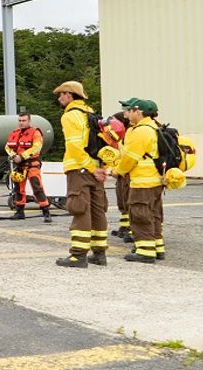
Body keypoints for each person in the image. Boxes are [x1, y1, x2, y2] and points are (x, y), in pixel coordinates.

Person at [53, 81, 108, 268]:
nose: (59, 98)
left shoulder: (70, 116)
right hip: (95, 167)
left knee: (80, 208)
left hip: (80, 168)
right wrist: (100, 168)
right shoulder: (91, 114)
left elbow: (75, 146)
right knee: (97, 210)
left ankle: (78, 255)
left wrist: (90, 169)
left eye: (61, 94)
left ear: (69, 95)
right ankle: (99, 253)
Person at [111, 98, 164, 263]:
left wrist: (117, 171)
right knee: (153, 213)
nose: (126, 114)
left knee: (139, 213)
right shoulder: (154, 127)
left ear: (138, 111)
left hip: (142, 181)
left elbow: (130, 158)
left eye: (129, 110)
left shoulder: (140, 131)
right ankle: (157, 247)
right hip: (154, 180)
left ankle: (145, 251)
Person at [4, 112, 51, 223]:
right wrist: (14, 156)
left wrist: (22, 156)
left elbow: (37, 147)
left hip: (32, 165)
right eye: (20, 121)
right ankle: (20, 212)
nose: (21, 123)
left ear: (29, 121)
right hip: (19, 165)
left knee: (37, 188)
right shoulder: (15, 133)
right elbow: (7, 146)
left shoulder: (35, 133)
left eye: (24, 120)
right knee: (18, 189)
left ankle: (46, 212)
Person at [107, 110, 134, 243]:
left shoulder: (130, 135)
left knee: (129, 201)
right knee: (122, 201)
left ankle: (130, 228)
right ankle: (124, 227)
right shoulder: (121, 136)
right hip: (121, 173)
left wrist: (119, 170)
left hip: (128, 173)